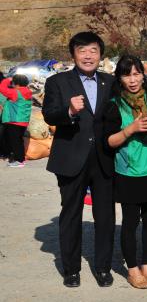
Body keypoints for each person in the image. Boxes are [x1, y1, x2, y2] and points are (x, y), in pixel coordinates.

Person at [43, 32, 116, 288]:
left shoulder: (110, 81)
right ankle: (71, 270)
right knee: (71, 214)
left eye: (93, 50)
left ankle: (103, 268)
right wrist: (69, 111)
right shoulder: (57, 82)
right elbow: (49, 114)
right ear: (73, 55)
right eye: (82, 50)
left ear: (101, 55)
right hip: (71, 157)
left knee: (105, 216)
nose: (88, 56)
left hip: (104, 159)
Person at [103, 56, 147, 289]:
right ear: (119, 78)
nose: (132, 80)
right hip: (129, 172)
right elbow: (109, 141)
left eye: (136, 74)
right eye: (126, 75)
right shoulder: (114, 104)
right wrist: (130, 129)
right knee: (130, 223)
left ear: (143, 75)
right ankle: (132, 269)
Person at [0, 74, 33, 167]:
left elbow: (2, 89)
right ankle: (20, 159)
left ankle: (19, 161)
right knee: (18, 141)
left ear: (16, 83)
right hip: (23, 121)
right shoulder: (28, 92)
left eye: (13, 82)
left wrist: (7, 80)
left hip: (15, 121)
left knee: (15, 142)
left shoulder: (15, 93)